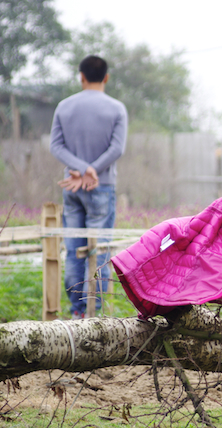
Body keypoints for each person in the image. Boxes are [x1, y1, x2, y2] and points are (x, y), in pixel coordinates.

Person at [50, 55, 128, 319]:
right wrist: (92, 169)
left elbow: (56, 146)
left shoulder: (64, 106)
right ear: (106, 77)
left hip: (72, 187)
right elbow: (117, 148)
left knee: (74, 251)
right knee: (99, 251)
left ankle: (76, 312)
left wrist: (80, 168)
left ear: (81, 76)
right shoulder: (117, 108)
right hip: (102, 186)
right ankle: (93, 314)